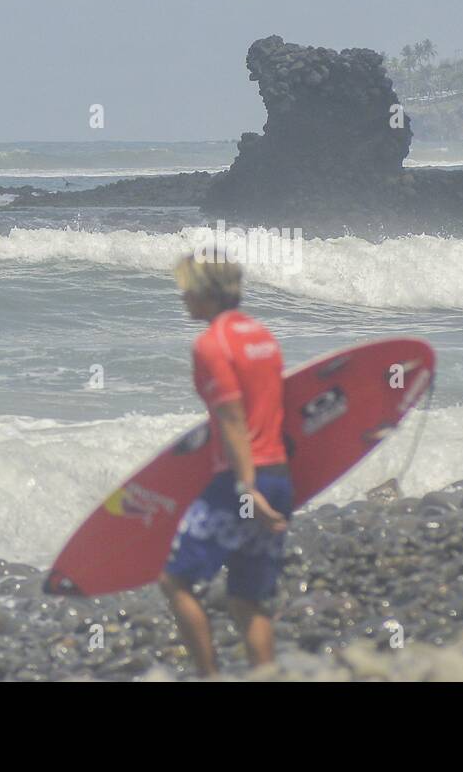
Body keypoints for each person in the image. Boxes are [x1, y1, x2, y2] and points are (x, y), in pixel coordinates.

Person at [158, 252, 291, 676]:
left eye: (188, 288)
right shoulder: (262, 336)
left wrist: (245, 487)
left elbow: (233, 419)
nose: (183, 297)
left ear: (206, 293)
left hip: (241, 485)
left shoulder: (211, 344)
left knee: (174, 581)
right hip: (279, 478)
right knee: (245, 598)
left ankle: (207, 675)